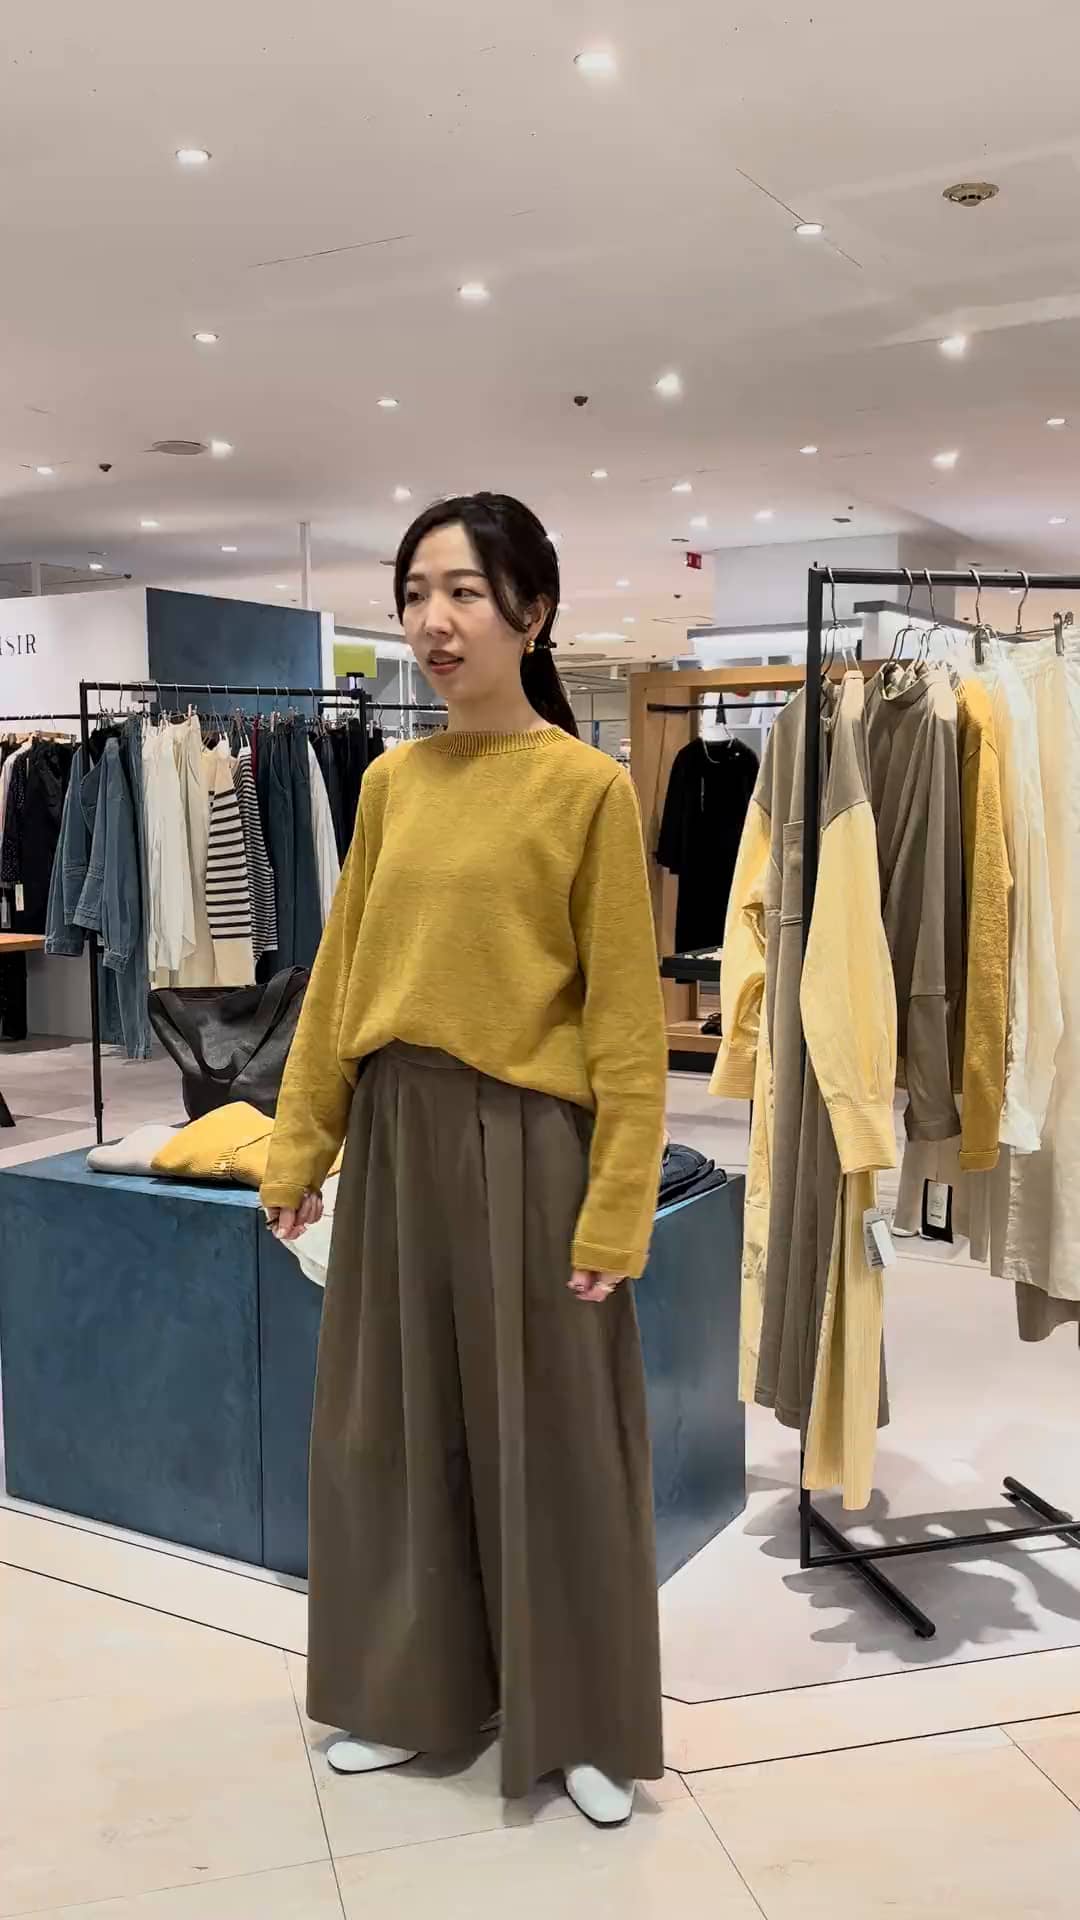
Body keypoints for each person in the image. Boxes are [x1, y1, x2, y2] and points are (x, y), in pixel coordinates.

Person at [260, 491, 668, 1826]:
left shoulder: (587, 788)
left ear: (531, 613)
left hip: (530, 1144)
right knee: (394, 1431)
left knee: (559, 1439)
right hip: (395, 1140)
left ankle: (583, 1718)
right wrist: (299, 1146)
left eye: (465, 594)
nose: (434, 623)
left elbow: (624, 1023)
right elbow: (343, 980)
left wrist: (616, 1209)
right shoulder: (390, 784)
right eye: (416, 594)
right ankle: (407, 1695)